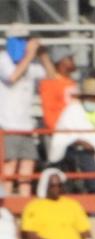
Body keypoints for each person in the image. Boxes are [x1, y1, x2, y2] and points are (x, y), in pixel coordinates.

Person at [0, 28, 49, 198]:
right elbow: (12, 77)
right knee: (9, 167)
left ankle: (24, 201)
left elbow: (51, 77)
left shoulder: (31, 63)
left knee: (27, 168)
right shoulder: (3, 59)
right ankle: (6, 206)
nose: (25, 43)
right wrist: (29, 55)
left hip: (26, 126)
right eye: (22, 39)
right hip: (8, 124)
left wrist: (42, 54)